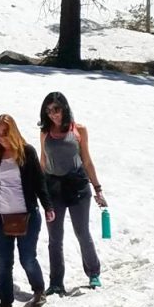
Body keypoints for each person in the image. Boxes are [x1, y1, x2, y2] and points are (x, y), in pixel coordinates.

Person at [0, 114, 55, 307]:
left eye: (5, 133)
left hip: (26, 214)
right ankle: (5, 306)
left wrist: (47, 206)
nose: (1, 138)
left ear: (14, 132)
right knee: (3, 263)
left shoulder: (27, 152)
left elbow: (39, 182)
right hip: (0, 216)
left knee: (27, 257)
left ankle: (39, 290)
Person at [38, 91, 107, 296]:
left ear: (64, 108)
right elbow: (43, 161)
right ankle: (56, 282)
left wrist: (98, 189)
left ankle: (93, 272)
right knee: (54, 237)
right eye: (49, 111)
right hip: (53, 188)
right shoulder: (45, 132)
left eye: (56, 110)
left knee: (81, 232)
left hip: (77, 186)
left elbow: (86, 160)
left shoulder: (78, 130)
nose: (53, 115)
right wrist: (40, 190)